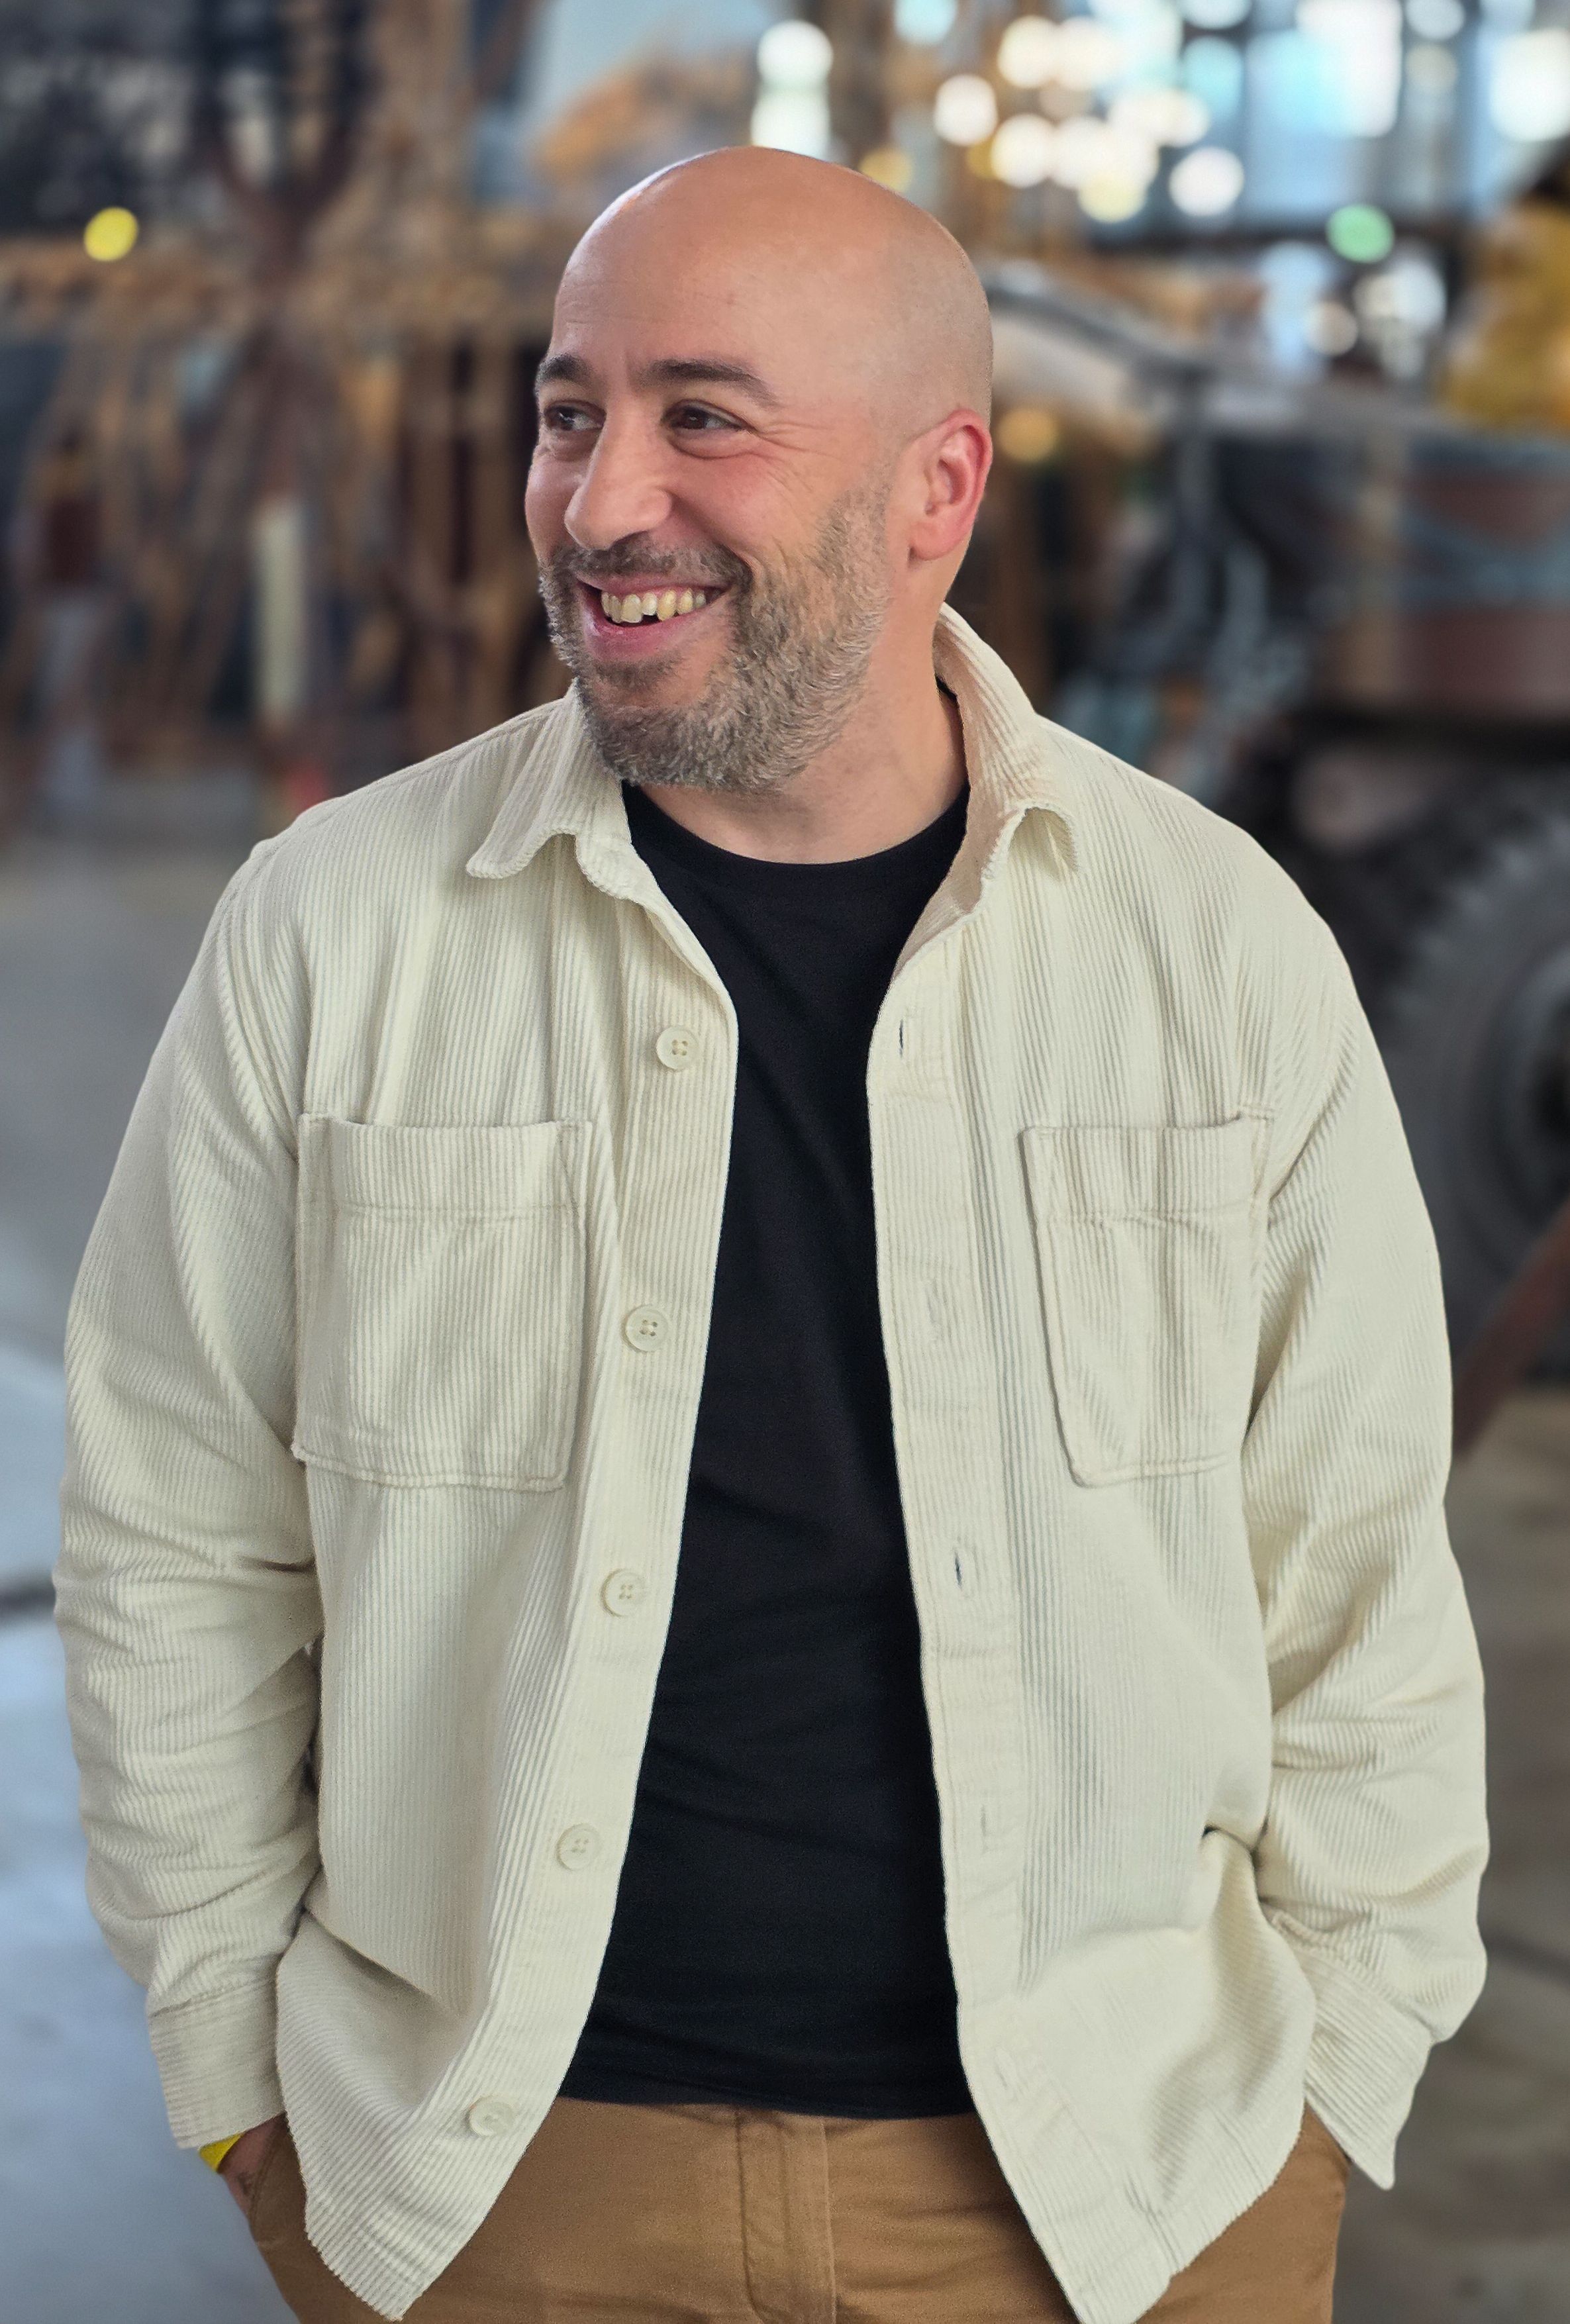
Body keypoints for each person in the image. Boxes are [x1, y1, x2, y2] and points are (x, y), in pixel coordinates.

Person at [54, 148, 1487, 2324]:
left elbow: (1352, 1574)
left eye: (701, 416)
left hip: (1108, 2196)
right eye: (570, 412)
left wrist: (1323, 2093)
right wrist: (241, 2097)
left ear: (936, 489)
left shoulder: (1210, 955)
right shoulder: (336, 935)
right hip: (495, 2191)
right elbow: (174, 1530)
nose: (599, 499)